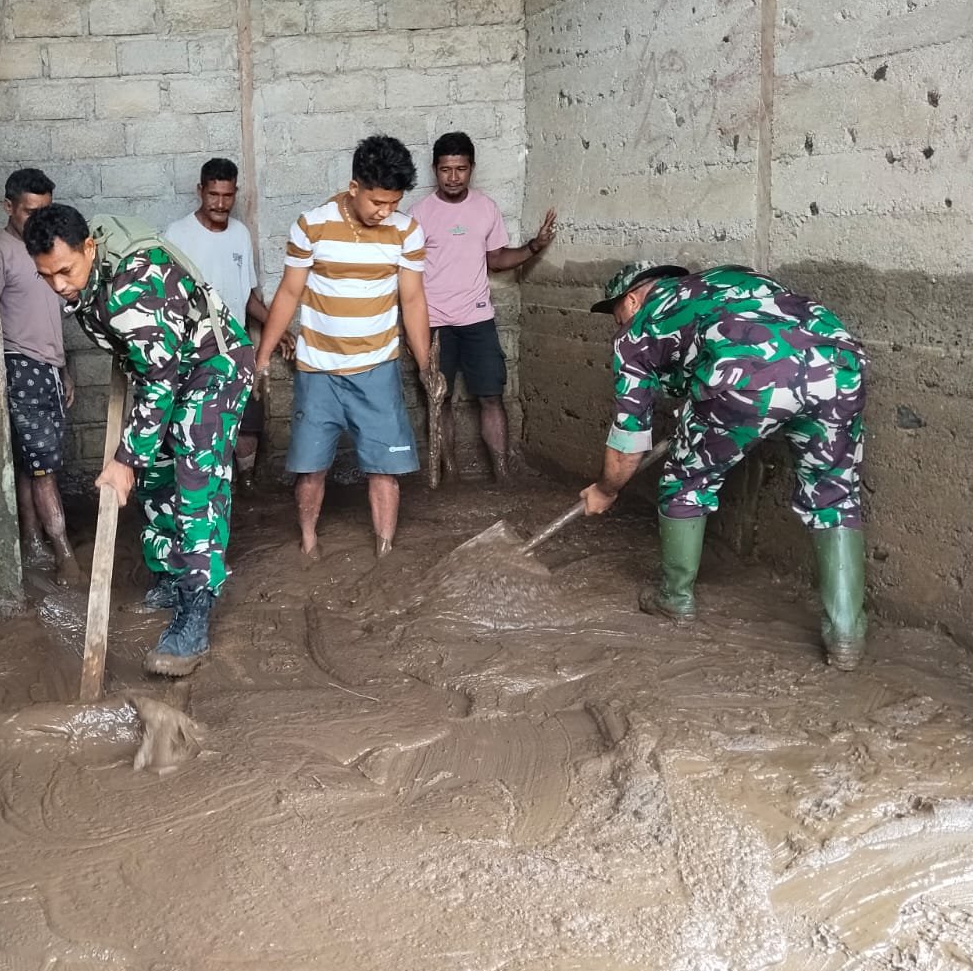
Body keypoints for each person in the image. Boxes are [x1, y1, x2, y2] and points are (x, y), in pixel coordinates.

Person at [579, 262, 868, 669]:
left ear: (630, 300)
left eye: (616, 314)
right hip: (839, 364)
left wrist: (605, 490)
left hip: (746, 377)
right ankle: (846, 633)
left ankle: (674, 599)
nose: (618, 324)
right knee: (834, 494)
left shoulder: (636, 331)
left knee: (685, 482)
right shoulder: (731, 278)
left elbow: (628, 443)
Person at [23, 204, 254, 677]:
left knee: (196, 489)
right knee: (156, 478)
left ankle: (194, 613)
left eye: (65, 271)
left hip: (214, 370)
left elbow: (160, 384)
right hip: (166, 371)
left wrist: (125, 459)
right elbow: (150, 367)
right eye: (46, 276)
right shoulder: (93, 277)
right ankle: (170, 575)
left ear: (89, 248)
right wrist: (137, 458)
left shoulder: (135, 285)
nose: (59, 285)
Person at [255, 134, 432, 559]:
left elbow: (412, 300)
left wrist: (427, 366)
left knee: (385, 469)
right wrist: (261, 357)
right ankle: (308, 542)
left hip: (378, 368)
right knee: (311, 467)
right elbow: (288, 293)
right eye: (377, 202)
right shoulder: (311, 226)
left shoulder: (406, 232)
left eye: (394, 202)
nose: (385, 211)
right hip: (318, 370)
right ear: (354, 187)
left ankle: (384, 550)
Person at [410, 131, 556, 482]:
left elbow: (497, 259)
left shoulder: (485, 208)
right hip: (434, 323)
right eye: (446, 169)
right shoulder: (418, 215)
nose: (453, 177)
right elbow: (407, 274)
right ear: (435, 169)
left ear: (472, 168)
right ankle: (449, 473)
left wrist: (534, 246)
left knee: (491, 396)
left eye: (461, 169)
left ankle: (502, 473)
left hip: (478, 319)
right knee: (438, 400)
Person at [0, 168, 79, 584]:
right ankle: (64, 552)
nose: (39, 220)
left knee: (35, 463)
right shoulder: (0, 251)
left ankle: (32, 541)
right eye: (30, 211)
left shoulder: (46, 249)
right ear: (8, 207)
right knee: (43, 466)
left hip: (48, 366)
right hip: (20, 365)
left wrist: (64, 369)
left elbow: (51, 319)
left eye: (46, 210)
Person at [164, 158, 271, 488]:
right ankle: (208, 488)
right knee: (201, 424)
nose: (221, 204)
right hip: (195, 350)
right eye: (214, 195)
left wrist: (279, 328)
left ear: (235, 193)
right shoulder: (177, 235)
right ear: (200, 191)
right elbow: (166, 297)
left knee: (246, 422)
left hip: (235, 347)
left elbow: (247, 295)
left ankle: (246, 486)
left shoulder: (240, 234)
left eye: (227, 195)